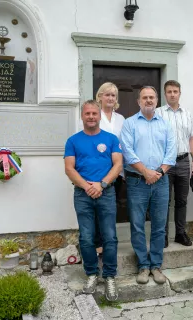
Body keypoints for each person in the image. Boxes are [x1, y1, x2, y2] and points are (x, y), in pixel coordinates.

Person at [64, 100, 122, 301]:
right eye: (87, 113)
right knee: (86, 238)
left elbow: (117, 165)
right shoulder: (73, 141)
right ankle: (91, 274)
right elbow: (69, 168)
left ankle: (109, 276)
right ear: (82, 116)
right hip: (82, 195)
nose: (91, 117)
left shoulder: (111, 138)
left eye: (94, 114)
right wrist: (87, 186)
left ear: (99, 116)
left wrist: (101, 184)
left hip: (106, 193)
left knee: (110, 237)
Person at [120, 86, 177, 285]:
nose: (148, 100)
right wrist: (145, 172)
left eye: (152, 97)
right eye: (145, 97)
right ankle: (143, 266)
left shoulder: (166, 124)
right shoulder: (129, 124)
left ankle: (156, 265)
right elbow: (127, 151)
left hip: (161, 181)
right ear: (138, 101)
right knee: (137, 225)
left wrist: (159, 172)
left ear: (156, 100)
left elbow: (172, 151)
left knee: (159, 226)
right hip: (137, 182)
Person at [155, 80, 193, 248]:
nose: (172, 94)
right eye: (169, 91)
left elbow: (192, 138)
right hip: (164, 163)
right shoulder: (158, 113)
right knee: (163, 200)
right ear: (165, 94)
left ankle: (180, 233)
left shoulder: (187, 114)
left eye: (175, 91)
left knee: (181, 200)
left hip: (183, 162)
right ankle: (163, 235)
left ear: (180, 93)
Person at [89, 82, 126, 257]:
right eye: (107, 94)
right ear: (100, 96)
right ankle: (97, 245)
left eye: (113, 95)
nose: (110, 98)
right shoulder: (95, 116)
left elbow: (123, 145)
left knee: (111, 209)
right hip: (97, 171)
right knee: (96, 208)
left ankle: (109, 243)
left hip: (116, 171)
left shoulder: (121, 119)